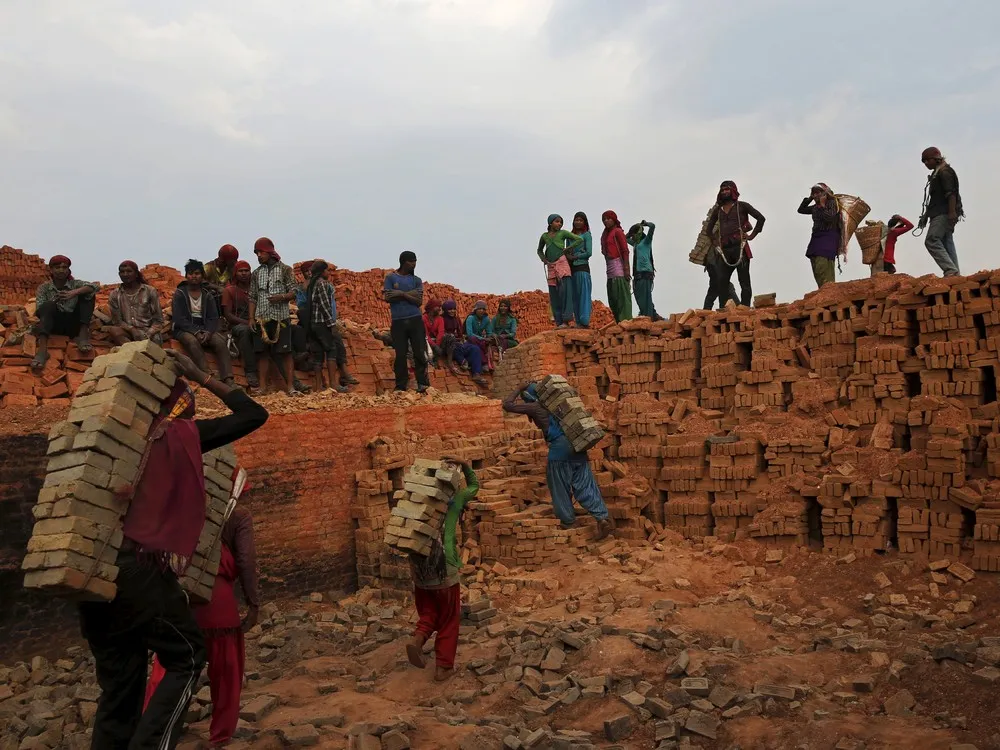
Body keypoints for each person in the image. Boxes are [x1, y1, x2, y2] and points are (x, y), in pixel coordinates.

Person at [78, 350, 268, 750]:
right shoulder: (179, 437)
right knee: (188, 656)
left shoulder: (103, 439)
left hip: (91, 574)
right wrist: (201, 375)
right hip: (139, 570)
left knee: (120, 686)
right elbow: (254, 415)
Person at [143, 506, 260, 748]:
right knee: (226, 673)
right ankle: (221, 735)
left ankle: (151, 731)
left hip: (179, 599)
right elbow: (246, 560)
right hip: (219, 606)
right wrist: (253, 603)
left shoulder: (178, 503)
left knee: (166, 669)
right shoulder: (237, 514)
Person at [502, 382, 612, 540]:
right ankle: (602, 518)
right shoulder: (560, 407)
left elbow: (507, 405)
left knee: (559, 485)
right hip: (578, 446)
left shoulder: (536, 407)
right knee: (585, 484)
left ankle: (568, 521)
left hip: (559, 451)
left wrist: (519, 388)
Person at [406, 457, 479, 682]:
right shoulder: (455, 502)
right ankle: (444, 667)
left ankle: (418, 639)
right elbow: (474, 486)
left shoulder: (417, 504)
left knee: (429, 611)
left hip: (419, 568)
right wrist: (465, 465)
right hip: (444, 568)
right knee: (448, 618)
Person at [249, 238, 299, 396]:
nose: (258, 255)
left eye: (261, 252)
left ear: (270, 252)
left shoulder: (285, 270)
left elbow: (294, 291)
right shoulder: (256, 273)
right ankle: (263, 388)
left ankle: (290, 387)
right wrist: (251, 318)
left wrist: (282, 297)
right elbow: (252, 297)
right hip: (261, 319)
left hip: (281, 318)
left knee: (286, 352)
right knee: (262, 353)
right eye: (256, 253)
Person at [172, 260, 235, 385]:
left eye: (197, 273)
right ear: (186, 276)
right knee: (192, 341)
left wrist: (208, 332)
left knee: (220, 342)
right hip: (183, 329)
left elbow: (213, 318)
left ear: (202, 276)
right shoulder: (180, 294)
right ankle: (207, 375)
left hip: (205, 328)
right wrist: (196, 332)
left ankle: (228, 378)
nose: (194, 276)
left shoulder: (207, 295)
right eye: (190, 273)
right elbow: (179, 319)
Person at [30, 255, 98, 371]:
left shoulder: (74, 284)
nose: (61, 270)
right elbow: (40, 310)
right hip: (54, 325)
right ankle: (42, 351)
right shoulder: (44, 288)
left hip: (73, 324)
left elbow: (95, 287)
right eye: (57, 267)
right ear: (51, 270)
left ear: (68, 270)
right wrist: (54, 301)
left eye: (64, 267)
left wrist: (74, 292)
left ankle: (83, 336)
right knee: (47, 305)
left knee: (88, 295)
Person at [703, 181, 765, 307]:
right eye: (722, 190)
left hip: (740, 249)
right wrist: (715, 242)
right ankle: (724, 310)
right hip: (724, 251)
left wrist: (751, 236)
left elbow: (761, 218)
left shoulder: (742, 206)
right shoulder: (718, 211)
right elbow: (708, 231)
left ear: (733, 191)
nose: (724, 192)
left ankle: (745, 309)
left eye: (727, 189)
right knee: (722, 282)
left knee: (744, 281)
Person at [301, 259, 356, 392]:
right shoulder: (322, 284)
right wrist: (331, 325)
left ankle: (318, 387)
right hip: (322, 323)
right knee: (331, 350)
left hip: (312, 324)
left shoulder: (311, 284)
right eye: (326, 270)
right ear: (321, 271)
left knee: (318, 355)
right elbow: (325, 306)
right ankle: (333, 384)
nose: (328, 273)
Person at [383, 251, 429, 393]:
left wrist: (401, 293)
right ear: (403, 262)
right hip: (398, 321)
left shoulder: (416, 280)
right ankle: (400, 385)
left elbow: (418, 301)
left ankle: (423, 383)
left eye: (415, 261)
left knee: (419, 352)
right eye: (411, 261)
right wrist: (410, 295)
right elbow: (388, 297)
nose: (414, 264)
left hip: (415, 320)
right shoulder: (391, 278)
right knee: (400, 354)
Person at [919, 147, 963, 278]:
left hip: (944, 212)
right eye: (924, 161)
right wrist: (926, 216)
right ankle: (955, 274)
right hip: (939, 212)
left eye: (928, 160)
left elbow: (951, 194)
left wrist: (952, 213)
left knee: (931, 240)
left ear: (937, 159)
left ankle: (950, 270)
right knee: (946, 241)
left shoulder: (945, 171)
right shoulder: (937, 173)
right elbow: (935, 198)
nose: (926, 163)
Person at [222, 260, 262, 392]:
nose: (244, 273)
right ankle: (250, 372)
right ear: (235, 273)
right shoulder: (229, 290)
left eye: (246, 271)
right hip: (237, 325)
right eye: (241, 271)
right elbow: (228, 315)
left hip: (257, 322)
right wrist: (247, 322)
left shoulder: (256, 290)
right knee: (245, 332)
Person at [537, 214, 581, 327]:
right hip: (551, 266)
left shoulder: (563, 233)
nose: (559, 224)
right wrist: (543, 259)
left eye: (561, 222)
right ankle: (559, 321)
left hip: (562, 264)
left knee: (566, 292)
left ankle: (567, 319)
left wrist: (568, 249)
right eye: (557, 221)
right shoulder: (544, 236)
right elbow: (539, 250)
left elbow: (579, 239)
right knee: (554, 294)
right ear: (550, 223)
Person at [108, 261, 164, 346]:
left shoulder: (149, 291)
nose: (125, 274)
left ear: (136, 274)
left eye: (129, 271)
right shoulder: (115, 294)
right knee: (114, 331)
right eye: (122, 272)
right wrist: (132, 330)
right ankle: (132, 351)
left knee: (154, 342)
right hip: (128, 332)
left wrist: (148, 334)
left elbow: (158, 320)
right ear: (119, 274)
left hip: (149, 332)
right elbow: (117, 321)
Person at [798, 183, 842, 289]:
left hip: (828, 238)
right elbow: (801, 210)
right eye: (814, 193)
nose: (815, 195)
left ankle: (829, 290)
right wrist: (810, 198)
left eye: (818, 193)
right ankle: (822, 290)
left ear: (824, 193)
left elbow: (829, 218)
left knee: (823, 264)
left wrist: (822, 205)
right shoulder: (815, 207)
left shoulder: (832, 203)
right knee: (815, 264)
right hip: (816, 238)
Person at [601, 211, 633, 322]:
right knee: (613, 298)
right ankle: (618, 322)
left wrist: (626, 269)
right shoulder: (605, 234)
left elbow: (625, 251)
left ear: (614, 220)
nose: (606, 221)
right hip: (610, 270)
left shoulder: (618, 232)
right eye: (604, 219)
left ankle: (626, 322)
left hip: (619, 269)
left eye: (608, 218)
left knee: (622, 298)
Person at [627, 220, 661, 320]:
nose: (632, 237)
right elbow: (625, 238)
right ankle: (651, 314)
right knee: (639, 296)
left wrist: (645, 224)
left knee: (646, 297)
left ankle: (649, 317)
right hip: (637, 274)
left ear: (638, 233)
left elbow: (653, 226)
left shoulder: (646, 241)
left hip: (646, 273)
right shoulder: (635, 244)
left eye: (634, 234)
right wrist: (630, 233)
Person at [569, 212, 594, 327]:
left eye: (580, 220)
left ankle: (584, 321)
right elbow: (567, 251)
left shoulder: (586, 235)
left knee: (584, 295)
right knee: (574, 296)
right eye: (576, 220)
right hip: (572, 269)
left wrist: (576, 256)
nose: (578, 222)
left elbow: (589, 252)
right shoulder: (570, 236)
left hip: (583, 268)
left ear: (584, 222)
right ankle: (578, 321)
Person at [204, 245, 240, 311]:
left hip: (227, 304)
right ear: (223, 260)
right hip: (210, 303)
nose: (235, 262)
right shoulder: (209, 267)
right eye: (233, 260)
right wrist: (218, 288)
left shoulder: (232, 268)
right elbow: (200, 281)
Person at [465, 300, 494, 369]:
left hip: (481, 340)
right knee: (473, 339)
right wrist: (483, 339)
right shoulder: (470, 318)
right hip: (471, 340)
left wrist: (490, 337)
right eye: (479, 309)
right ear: (475, 310)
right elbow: (469, 334)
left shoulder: (486, 319)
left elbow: (489, 332)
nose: (481, 311)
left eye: (483, 309)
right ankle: (484, 362)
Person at [424, 300, 446, 366]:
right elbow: (425, 334)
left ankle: (444, 360)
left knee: (449, 337)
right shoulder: (423, 318)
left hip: (437, 342)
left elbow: (441, 333)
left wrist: (437, 345)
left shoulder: (440, 319)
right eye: (438, 307)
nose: (440, 309)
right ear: (431, 307)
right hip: (427, 341)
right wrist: (434, 346)